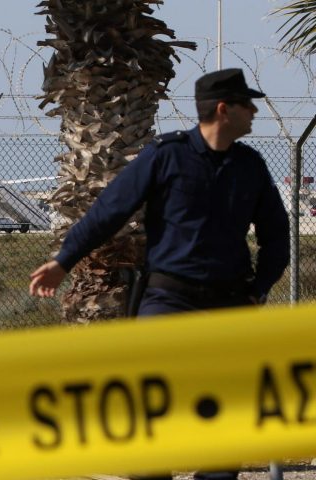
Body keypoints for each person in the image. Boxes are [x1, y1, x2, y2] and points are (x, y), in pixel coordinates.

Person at [29, 69, 290, 480]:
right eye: (247, 105)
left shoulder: (250, 167)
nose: (254, 112)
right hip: (170, 299)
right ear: (224, 110)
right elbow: (109, 211)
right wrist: (64, 261)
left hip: (229, 304)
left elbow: (277, 237)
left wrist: (258, 291)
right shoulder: (167, 155)